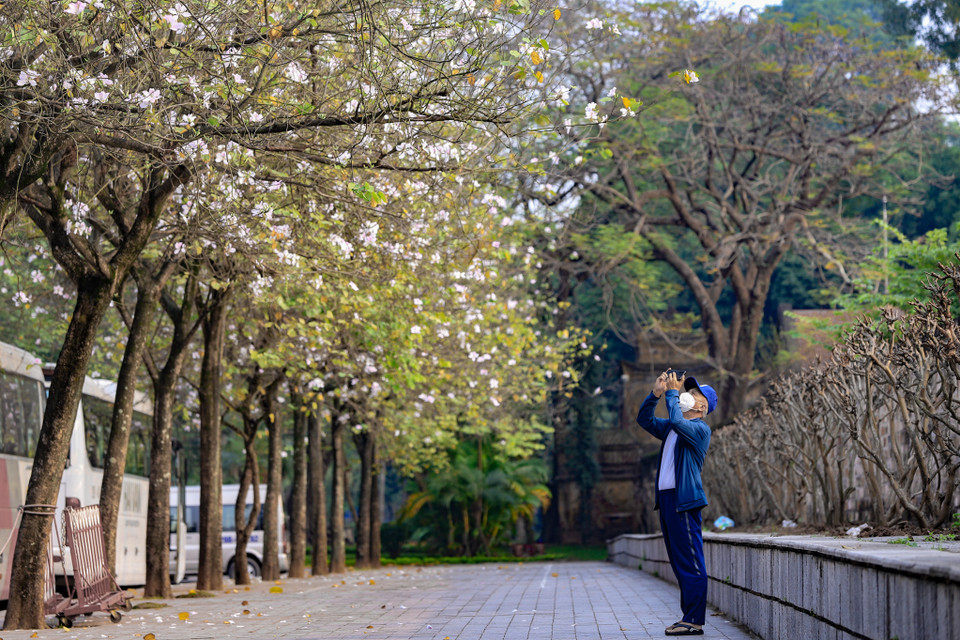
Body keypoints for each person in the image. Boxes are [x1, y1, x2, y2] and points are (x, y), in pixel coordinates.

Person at [637, 370, 718, 637]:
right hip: (669, 501)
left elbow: (676, 420)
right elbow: (644, 420)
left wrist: (672, 394)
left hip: (684, 501)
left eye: (693, 394)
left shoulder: (698, 429)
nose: (687, 395)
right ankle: (688, 617)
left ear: (702, 406)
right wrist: (656, 393)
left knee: (691, 561)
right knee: (678, 562)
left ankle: (694, 619)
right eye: (689, 392)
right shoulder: (674, 426)